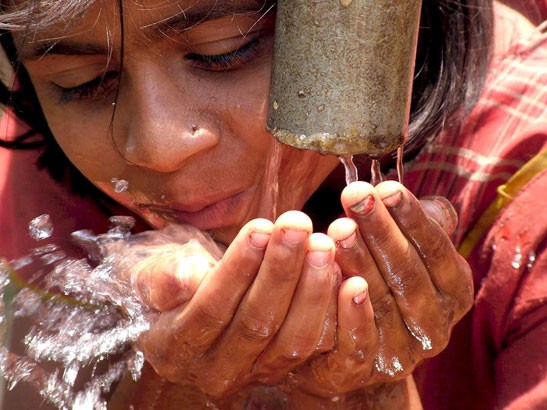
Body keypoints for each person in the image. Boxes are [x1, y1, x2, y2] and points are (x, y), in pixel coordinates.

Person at [0, 0, 545, 409]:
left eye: (224, 50)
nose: (157, 147)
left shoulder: (527, 190)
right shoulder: (56, 161)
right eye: (85, 81)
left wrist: (366, 394)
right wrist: (171, 380)